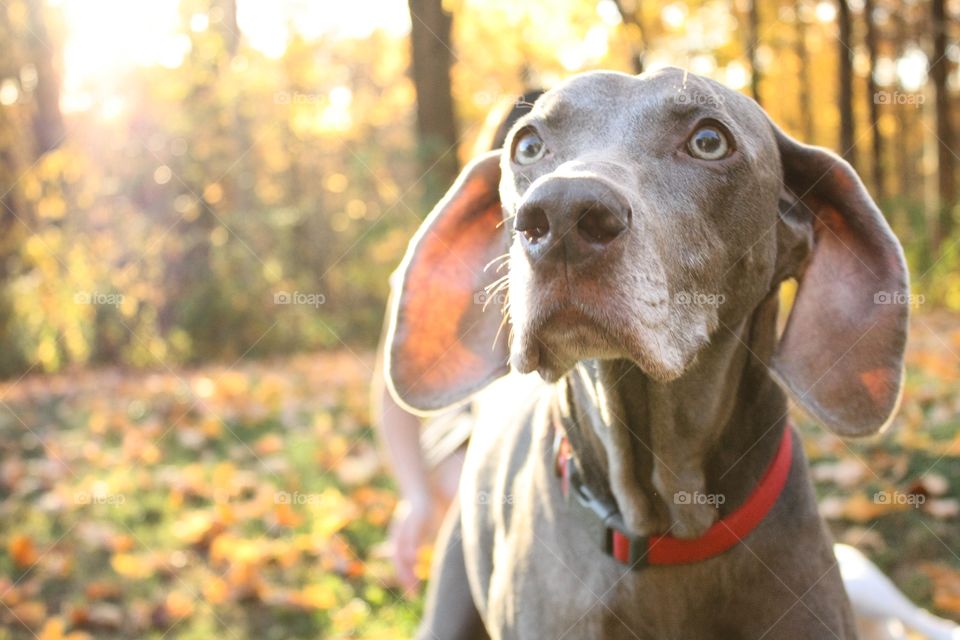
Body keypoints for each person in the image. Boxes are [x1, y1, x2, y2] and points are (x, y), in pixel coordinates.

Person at [371, 90, 543, 591]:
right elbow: (392, 392)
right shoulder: (445, 259)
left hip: (561, 439)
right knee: (474, 481)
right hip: (468, 426)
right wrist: (414, 497)